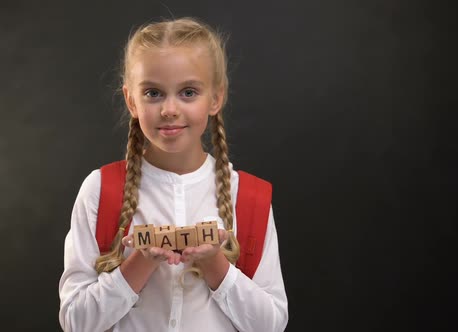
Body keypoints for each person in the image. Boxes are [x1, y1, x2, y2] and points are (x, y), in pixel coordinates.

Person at [58, 17, 288, 332]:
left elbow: (271, 325)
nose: (169, 109)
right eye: (153, 93)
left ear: (216, 98)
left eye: (188, 92)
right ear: (131, 101)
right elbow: (75, 322)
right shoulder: (101, 190)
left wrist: (215, 266)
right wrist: (140, 263)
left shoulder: (249, 198)